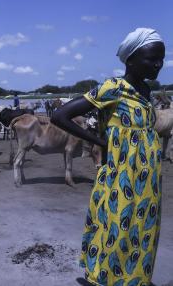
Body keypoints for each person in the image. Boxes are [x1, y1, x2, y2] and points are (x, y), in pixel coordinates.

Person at [51, 28, 165, 286]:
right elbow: (59, 116)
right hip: (120, 175)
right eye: (151, 58)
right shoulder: (113, 88)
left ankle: (135, 278)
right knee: (117, 229)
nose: (158, 64)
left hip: (148, 181)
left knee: (143, 230)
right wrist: (100, 142)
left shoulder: (147, 93)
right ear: (131, 59)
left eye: (161, 58)